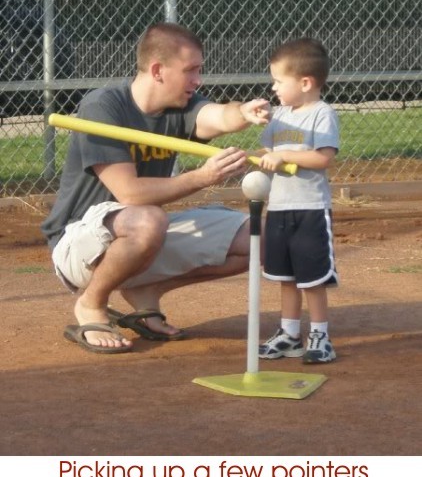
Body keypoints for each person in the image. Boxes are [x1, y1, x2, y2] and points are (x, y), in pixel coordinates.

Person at [41, 22, 271, 354]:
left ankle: (148, 290)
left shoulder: (182, 106)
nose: (197, 80)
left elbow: (218, 116)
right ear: (158, 70)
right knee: (148, 219)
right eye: (190, 70)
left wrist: (244, 112)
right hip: (78, 244)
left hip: (141, 237)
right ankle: (91, 303)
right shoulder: (103, 107)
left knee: (262, 238)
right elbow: (129, 194)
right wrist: (202, 177)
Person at [256, 38, 339, 363]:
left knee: (311, 279)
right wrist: (253, 157)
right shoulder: (279, 116)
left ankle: (320, 335)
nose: (273, 87)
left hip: (310, 211)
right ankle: (290, 334)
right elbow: (268, 153)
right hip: (278, 209)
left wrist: (285, 155)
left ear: (305, 83)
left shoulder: (322, 114)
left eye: (278, 81)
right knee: (286, 276)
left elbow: (323, 159)